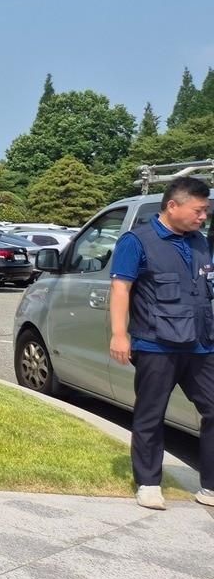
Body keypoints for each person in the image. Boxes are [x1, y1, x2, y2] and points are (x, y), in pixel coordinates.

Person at [109, 176, 214, 511]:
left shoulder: (201, 242)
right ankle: (149, 483)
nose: (203, 217)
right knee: (151, 414)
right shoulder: (137, 241)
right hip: (157, 344)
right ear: (173, 205)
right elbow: (121, 289)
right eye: (199, 210)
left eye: (206, 211)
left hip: (201, 344)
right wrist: (119, 333)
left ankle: (210, 486)